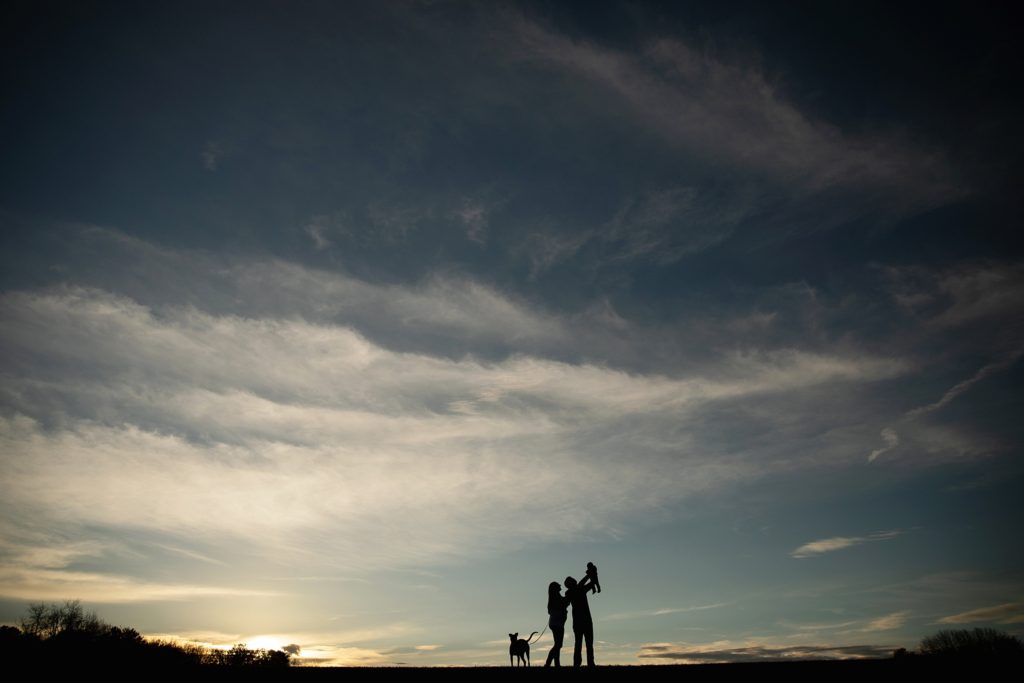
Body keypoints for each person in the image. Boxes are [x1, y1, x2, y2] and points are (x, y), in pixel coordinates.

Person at [564, 573, 597, 667]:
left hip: (578, 621)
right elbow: (590, 583)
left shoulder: (570, 592)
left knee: (578, 644)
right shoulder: (579, 589)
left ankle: (577, 664)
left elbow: (586, 584)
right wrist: (590, 575)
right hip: (586, 620)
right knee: (588, 644)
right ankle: (590, 663)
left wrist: (589, 576)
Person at [544, 581, 569, 667]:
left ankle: (556, 664)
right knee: (558, 644)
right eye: (558, 585)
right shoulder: (557, 597)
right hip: (558, 624)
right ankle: (548, 663)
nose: (560, 586)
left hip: (555, 623)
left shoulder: (553, 598)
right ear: (555, 588)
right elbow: (564, 602)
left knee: (557, 644)